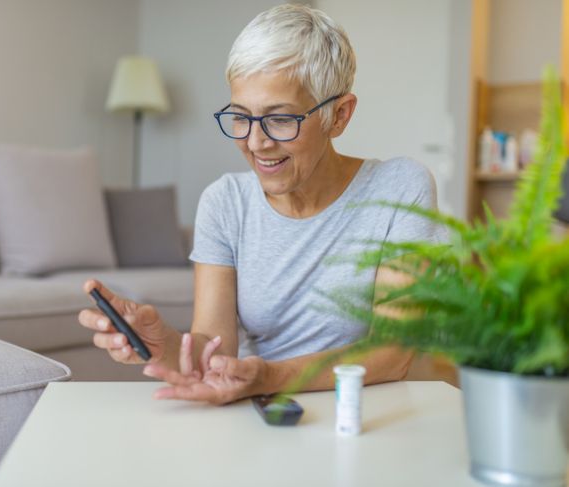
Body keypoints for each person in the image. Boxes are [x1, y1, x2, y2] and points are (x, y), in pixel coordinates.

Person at [78, 4, 442, 405]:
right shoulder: (225, 202)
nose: (255, 143)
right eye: (240, 117)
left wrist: (269, 376)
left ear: (339, 116)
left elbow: (393, 352)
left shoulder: (399, 188)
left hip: (363, 412)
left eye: (280, 119)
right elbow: (215, 354)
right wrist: (163, 342)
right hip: (262, 413)